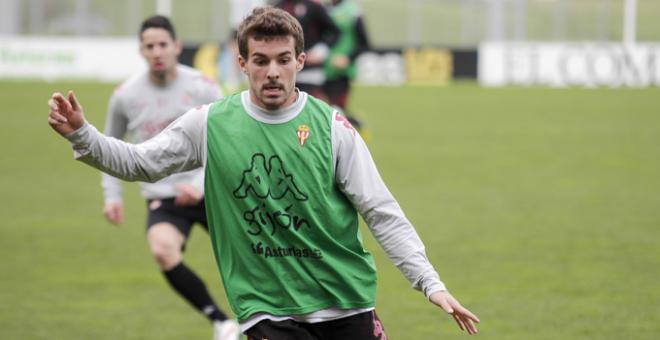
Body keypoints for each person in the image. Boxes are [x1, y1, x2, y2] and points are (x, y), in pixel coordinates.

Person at [48, 7, 480, 339]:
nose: (272, 71)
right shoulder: (210, 123)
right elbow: (140, 163)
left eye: (282, 59)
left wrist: (430, 283)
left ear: (301, 61)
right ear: (242, 63)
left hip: (346, 302)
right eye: (260, 60)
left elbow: (381, 211)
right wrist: (83, 135)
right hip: (267, 311)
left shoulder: (333, 128)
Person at [99, 15, 239, 340]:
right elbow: (108, 148)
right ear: (142, 51)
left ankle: (273, 318)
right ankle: (221, 321)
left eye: (163, 44)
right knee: (162, 250)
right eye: (150, 46)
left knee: (250, 256)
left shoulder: (203, 86)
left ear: (176, 47)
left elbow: (229, 142)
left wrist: (200, 183)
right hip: (164, 196)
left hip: (212, 189)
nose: (157, 51)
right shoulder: (125, 96)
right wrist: (112, 197)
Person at [272, 0, 340, 99]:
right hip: (283, 70)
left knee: (307, 105)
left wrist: (321, 50)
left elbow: (334, 31)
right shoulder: (276, 8)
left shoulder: (313, 6)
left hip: (309, 71)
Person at [322, 0, 370, 131]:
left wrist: (347, 58)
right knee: (323, 110)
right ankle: (356, 124)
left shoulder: (352, 11)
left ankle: (355, 129)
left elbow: (364, 43)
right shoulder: (322, 9)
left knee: (336, 111)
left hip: (342, 72)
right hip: (321, 70)